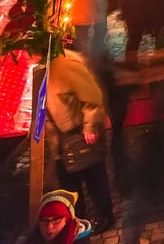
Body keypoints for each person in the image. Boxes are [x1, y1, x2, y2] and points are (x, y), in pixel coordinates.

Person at [45, 49, 113, 230]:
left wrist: (90, 126)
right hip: (59, 138)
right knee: (68, 183)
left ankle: (104, 216)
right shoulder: (42, 67)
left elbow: (92, 96)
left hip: (79, 134)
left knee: (94, 178)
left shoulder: (66, 63)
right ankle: (77, 219)